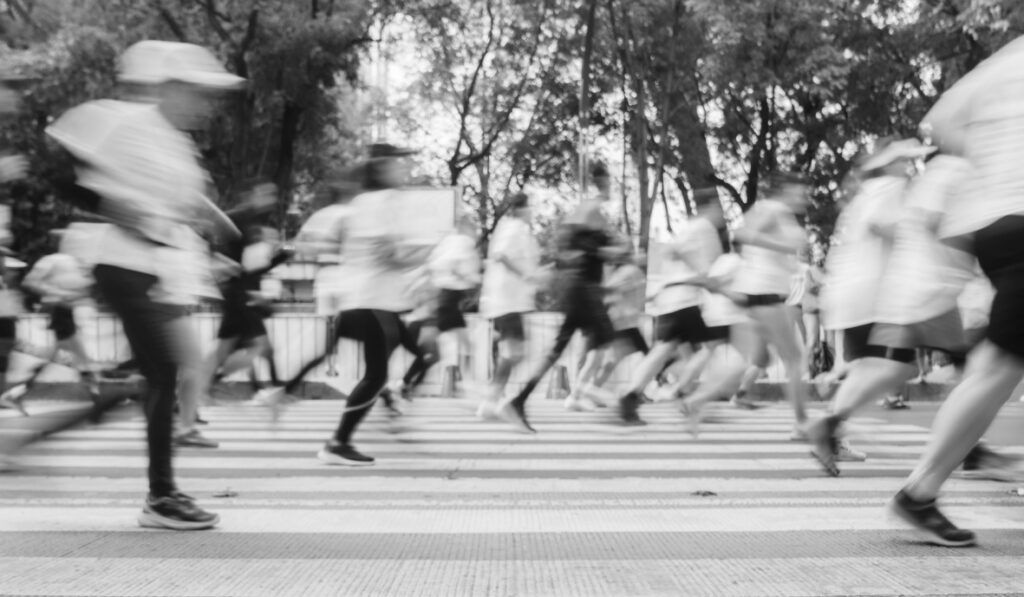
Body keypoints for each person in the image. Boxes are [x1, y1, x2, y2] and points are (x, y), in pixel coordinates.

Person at [44, 40, 248, 530]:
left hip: (159, 272)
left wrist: (223, 230)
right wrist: (113, 207)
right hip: (119, 263)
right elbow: (56, 165)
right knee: (166, 368)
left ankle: (98, 415)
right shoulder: (119, 118)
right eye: (200, 92)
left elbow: (189, 204)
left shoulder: (178, 143)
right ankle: (161, 495)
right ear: (168, 87)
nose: (208, 104)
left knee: (178, 368)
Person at [887, 37, 1024, 547]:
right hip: (1017, 218)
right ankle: (920, 491)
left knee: (997, 365)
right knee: (998, 367)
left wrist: (990, 166)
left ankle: (923, 491)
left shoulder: (1003, 61)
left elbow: (942, 122)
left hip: (992, 224)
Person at [257, 142, 435, 465]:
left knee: (377, 366)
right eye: (398, 164)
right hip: (373, 300)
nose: (403, 170)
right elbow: (391, 256)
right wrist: (428, 252)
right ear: (382, 168)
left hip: (364, 300)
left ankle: (285, 395)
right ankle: (338, 441)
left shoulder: (361, 204)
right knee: (377, 375)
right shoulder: (382, 203)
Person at [498, 164, 623, 432]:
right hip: (584, 289)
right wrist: (603, 252)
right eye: (609, 182)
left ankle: (519, 400)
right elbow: (570, 245)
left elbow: (572, 246)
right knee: (613, 344)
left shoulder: (591, 212)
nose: (611, 188)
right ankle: (617, 403)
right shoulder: (589, 210)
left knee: (559, 349)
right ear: (601, 182)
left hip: (579, 288)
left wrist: (605, 251)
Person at [617, 190, 724, 426]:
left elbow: (670, 250)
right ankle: (681, 394)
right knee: (708, 348)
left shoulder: (690, 227)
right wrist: (701, 274)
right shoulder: (703, 227)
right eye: (719, 208)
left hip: (673, 298)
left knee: (666, 351)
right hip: (685, 298)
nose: (721, 215)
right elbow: (676, 252)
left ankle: (636, 396)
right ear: (710, 206)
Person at [725, 172, 811, 439]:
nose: (804, 197)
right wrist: (785, 246)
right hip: (766, 295)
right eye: (800, 191)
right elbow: (744, 234)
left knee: (760, 359)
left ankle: (703, 399)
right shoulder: (774, 208)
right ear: (785, 189)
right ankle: (801, 424)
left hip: (761, 295)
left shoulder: (775, 211)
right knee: (795, 360)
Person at [476, 192, 545, 419]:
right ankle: (490, 400)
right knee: (515, 352)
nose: (532, 212)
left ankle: (491, 398)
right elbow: (501, 255)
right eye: (529, 207)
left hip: (509, 302)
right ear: (520, 209)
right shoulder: (512, 228)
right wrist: (526, 276)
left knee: (514, 352)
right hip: (506, 302)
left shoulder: (516, 229)